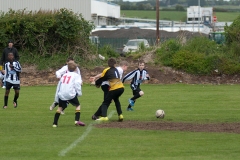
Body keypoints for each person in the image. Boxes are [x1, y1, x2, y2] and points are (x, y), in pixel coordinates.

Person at [52, 61, 85, 127]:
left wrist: (57, 96)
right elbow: (77, 84)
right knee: (77, 105)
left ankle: (55, 124)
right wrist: (79, 93)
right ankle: (76, 120)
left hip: (62, 94)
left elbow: (59, 85)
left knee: (60, 108)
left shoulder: (64, 75)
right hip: (70, 93)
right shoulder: (76, 75)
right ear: (76, 69)